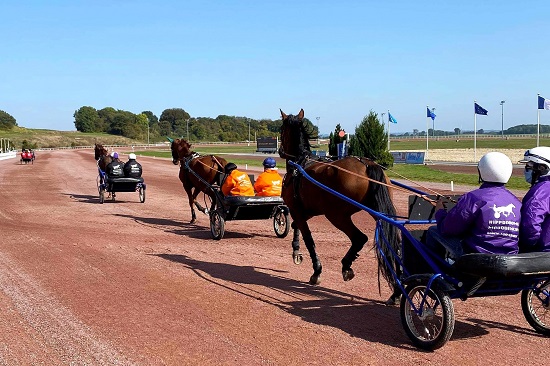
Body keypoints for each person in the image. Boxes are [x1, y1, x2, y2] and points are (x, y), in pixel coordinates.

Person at [426, 152, 521, 258]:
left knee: (433, 231)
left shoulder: (472, 198)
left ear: (482, 171)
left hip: (476, 258)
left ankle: (436, 270)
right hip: (510, 259)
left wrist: (440, 212)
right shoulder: (516, 202)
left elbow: (447, 229)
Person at [519, 146, 550, 252]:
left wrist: (525, 247)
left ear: (542, 168)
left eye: (529, 166)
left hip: (543, 253)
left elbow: (531, 225)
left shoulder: (540, 191)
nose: (526, 170)